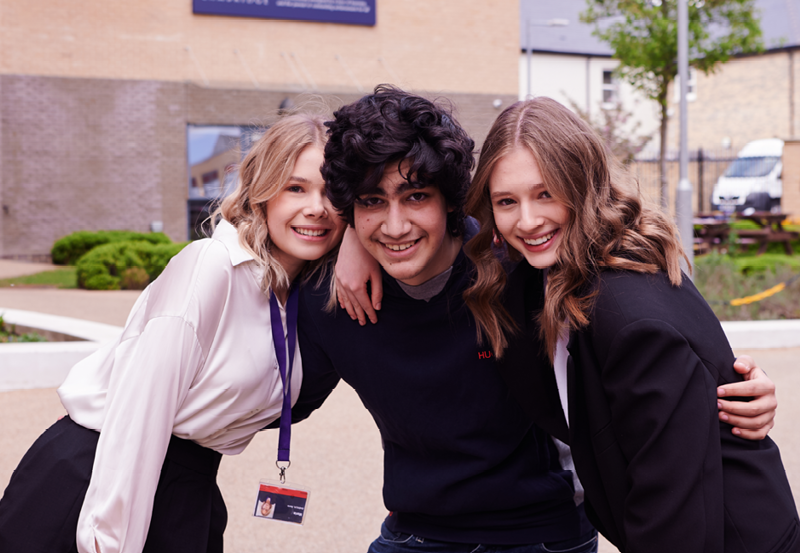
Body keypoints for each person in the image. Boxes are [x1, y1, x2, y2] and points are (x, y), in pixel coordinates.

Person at [290, 85, 777, 553]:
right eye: (371, 202)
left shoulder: (518, 271)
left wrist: (728, 386)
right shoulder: (333, 294)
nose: (395, 225)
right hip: (415, 533)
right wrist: (349, 236)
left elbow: (655, 342)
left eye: (416, 196)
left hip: (545, 533)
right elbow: (274, 399)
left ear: (453, 201)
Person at [463, 96, 799, 552]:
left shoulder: (630, 316)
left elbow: (676, 514)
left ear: (583, 184)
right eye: (507, 201)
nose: (527, 220)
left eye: (545, 193)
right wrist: (353, 244)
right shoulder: (545, 274)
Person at [0, 113, 346, 553]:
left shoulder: (295, 297)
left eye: (332, 192)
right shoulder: (212, 265)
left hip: (189, 491)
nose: (316, 207)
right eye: (296, 187)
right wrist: (109, 539)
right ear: (262, 192)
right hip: (101, 484)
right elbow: (140, 413)